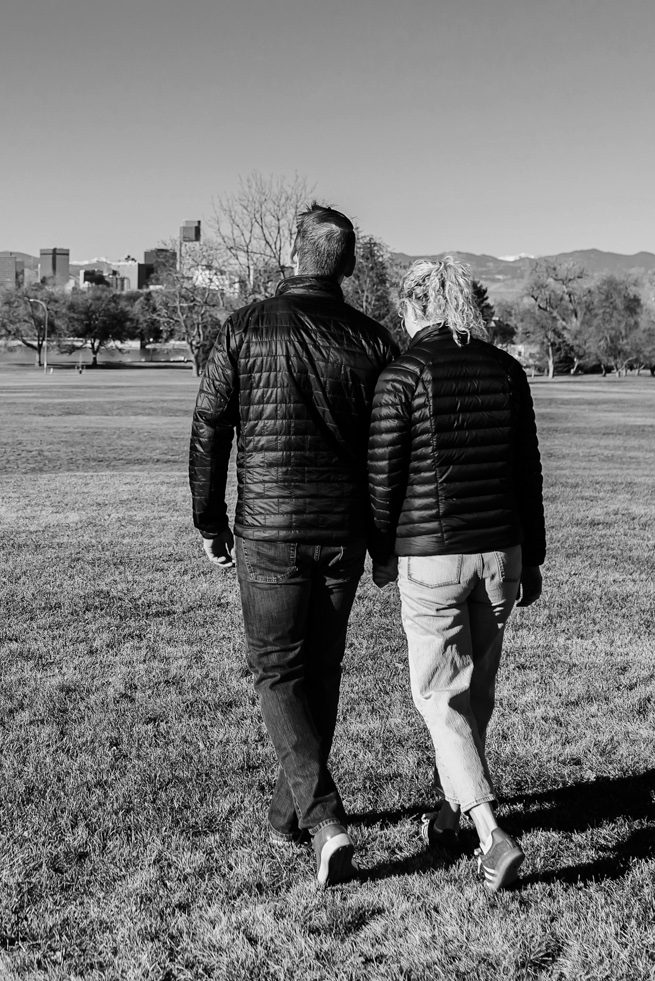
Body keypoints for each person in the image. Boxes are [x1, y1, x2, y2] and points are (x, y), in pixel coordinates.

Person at [190, 205, 400, 889]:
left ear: (293, 252)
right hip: (340, 530)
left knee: (280, 673)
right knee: (321, 670)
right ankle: (291, 812)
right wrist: (381, 537)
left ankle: (324, 816)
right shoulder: (373, 340)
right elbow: (387, 451)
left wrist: (208, 519)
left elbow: (208, 426)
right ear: (348, 263)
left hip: (270, 530)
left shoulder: (246, 325)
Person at [367, 255, 545, 893]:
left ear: (415, 306)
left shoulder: (403, 374)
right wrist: (536, 557)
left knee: (441, 695)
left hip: (432, 555)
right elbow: (527, 472)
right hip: (501, 552)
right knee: (475, 693)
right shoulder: (506, 370)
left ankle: (490, 831)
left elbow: (383, 478)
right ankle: (450, 810)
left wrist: (380, 549)